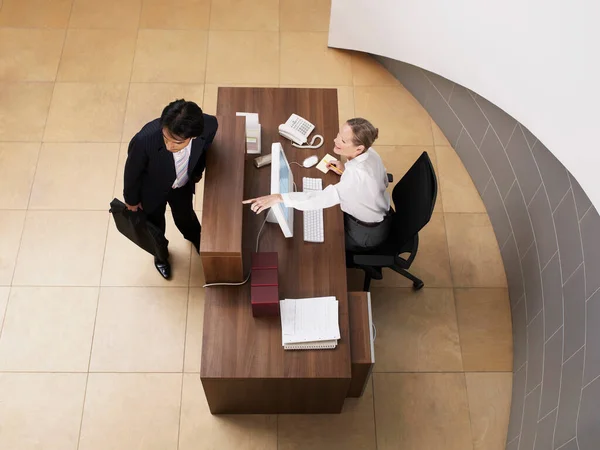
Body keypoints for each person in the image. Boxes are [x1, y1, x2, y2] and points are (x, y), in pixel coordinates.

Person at [243, 117, 391, 252]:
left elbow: (319, 199)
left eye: (343, 141)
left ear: (359, 148)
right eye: (339, 135)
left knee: (330, 247)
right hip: (381, 211)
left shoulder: (355, 180)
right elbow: (383, 181)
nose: (336, 140)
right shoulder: (371, 153)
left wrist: (279, 197)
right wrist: (345, 170)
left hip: (366, 232)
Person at [123, 99, 218, 279]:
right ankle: (160, 257)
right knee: (154, 226)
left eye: (176, 142)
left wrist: (197, 172)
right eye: (166, 138)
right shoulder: (145, 139)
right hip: (151, 191)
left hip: (181, 185)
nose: (169, 146)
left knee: (186, 217)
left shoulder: (209, 126)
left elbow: (207, 147)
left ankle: (197, 240)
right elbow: (132, 172)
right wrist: (131, 201)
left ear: (193, 137)